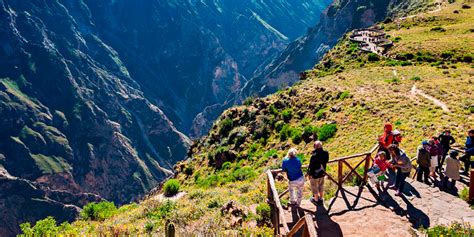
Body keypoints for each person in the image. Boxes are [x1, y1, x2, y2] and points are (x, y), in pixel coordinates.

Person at [307, 141, 329, 205]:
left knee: (314, 186)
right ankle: (321, 199)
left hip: (314, 174)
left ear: (315, 147)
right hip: (322, 172)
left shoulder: (314, 155)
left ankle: (316, 200)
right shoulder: (326, 153)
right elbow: (326, 160)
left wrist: (309, 174)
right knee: (321, 185)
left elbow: (311, 166)